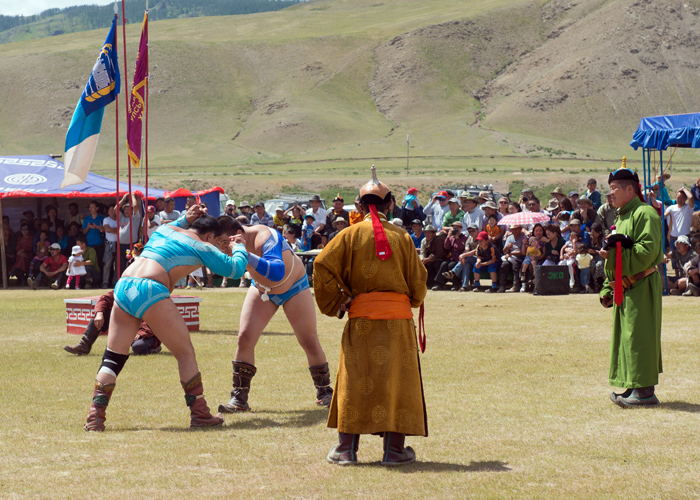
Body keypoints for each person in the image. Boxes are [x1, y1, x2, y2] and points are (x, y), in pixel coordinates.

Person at [83, 205, 248, 431]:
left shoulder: (164, 230)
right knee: (185, 353)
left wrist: (185, 216)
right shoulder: (202, 246)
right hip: (150, 288)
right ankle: (200, 414)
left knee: (113, 358)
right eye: (216, 241)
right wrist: (239, 247)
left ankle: (95, 418)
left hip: (123, 286)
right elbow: (236, 270)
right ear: (210, 236)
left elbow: (180, 223)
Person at [313, 166, 427, 466]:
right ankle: (393, 451)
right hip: (397, 323)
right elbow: (418, 283)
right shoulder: (403, 237)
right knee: (396, 381)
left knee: (355, 378)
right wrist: (409, 300)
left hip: (361, 320)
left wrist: (338, 302)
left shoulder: (347, 236)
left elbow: (321, 264)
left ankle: (346, 451)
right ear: (390, 204)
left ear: (359, 205)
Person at [217, 216, 334, 415]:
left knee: (309, 341)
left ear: (237, 235)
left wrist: (247, 256)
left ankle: (325, 391)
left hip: (294, 286)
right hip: (262, 288)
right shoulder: (233, 243)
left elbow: (277, 272)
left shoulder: (266, 236)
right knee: (245, 337)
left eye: (222, 243)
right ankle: (239, 398)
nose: (221, 249)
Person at [599, 162, 663, 408]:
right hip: (624, 289)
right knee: (627, 337)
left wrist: (614, 257)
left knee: (640, 336)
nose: (611, 193)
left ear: (630, 190)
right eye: (610, 188)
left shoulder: (644, 214)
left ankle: (645, 391)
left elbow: (646, 252)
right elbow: (616, 255)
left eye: (615, 188)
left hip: (642, 284)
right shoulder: (622, 217)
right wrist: (608, 288)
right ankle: (633, 385)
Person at [82, 200, 105, 266]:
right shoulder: (86, 219)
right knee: (89, 262)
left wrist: (97, 227)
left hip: (99, 244)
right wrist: (88, 227)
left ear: (97, 208)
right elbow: (84, 232)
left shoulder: (102, 218)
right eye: (90, 207)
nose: (90, 209)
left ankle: (100, 276)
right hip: (89, 244)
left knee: (99, 262)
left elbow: (105, 230)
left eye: (92, 207)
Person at [102, 205, 119, 288]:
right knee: (107, 264)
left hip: (119, 243)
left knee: (118, 264)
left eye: (113, 210)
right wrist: (118, 229)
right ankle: (105, 282)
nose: (112, 212)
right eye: (110, 210)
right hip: (109, 244)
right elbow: (107, 229)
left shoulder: (120, 219)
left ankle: (115, 282)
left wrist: (115, 229)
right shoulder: (106, 219)